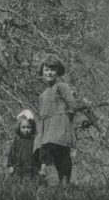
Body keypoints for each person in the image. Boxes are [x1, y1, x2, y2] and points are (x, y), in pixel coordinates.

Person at [34, 56, 79, 184]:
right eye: (46, 70)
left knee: (60, 151)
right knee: (42, 148)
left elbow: (72, 105)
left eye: (52, 70)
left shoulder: (61, 87)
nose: (49, 73)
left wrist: (64, 119)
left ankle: (63, 180)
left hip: (59, 125)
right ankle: (48, 175)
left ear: (58, 72)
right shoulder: (43, 94)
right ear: (42, 72)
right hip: (46, 127)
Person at [6, 109, 39, 180]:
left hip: (32, 170)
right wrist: (10, 166)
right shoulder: (16, 142)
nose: (26, 130)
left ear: (32, 128)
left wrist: (42, 168)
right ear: (19, 128)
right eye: (23, 127)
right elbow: (11, 155)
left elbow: (40, 156)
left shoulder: (35, 141)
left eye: (28, 127)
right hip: (18, 169)